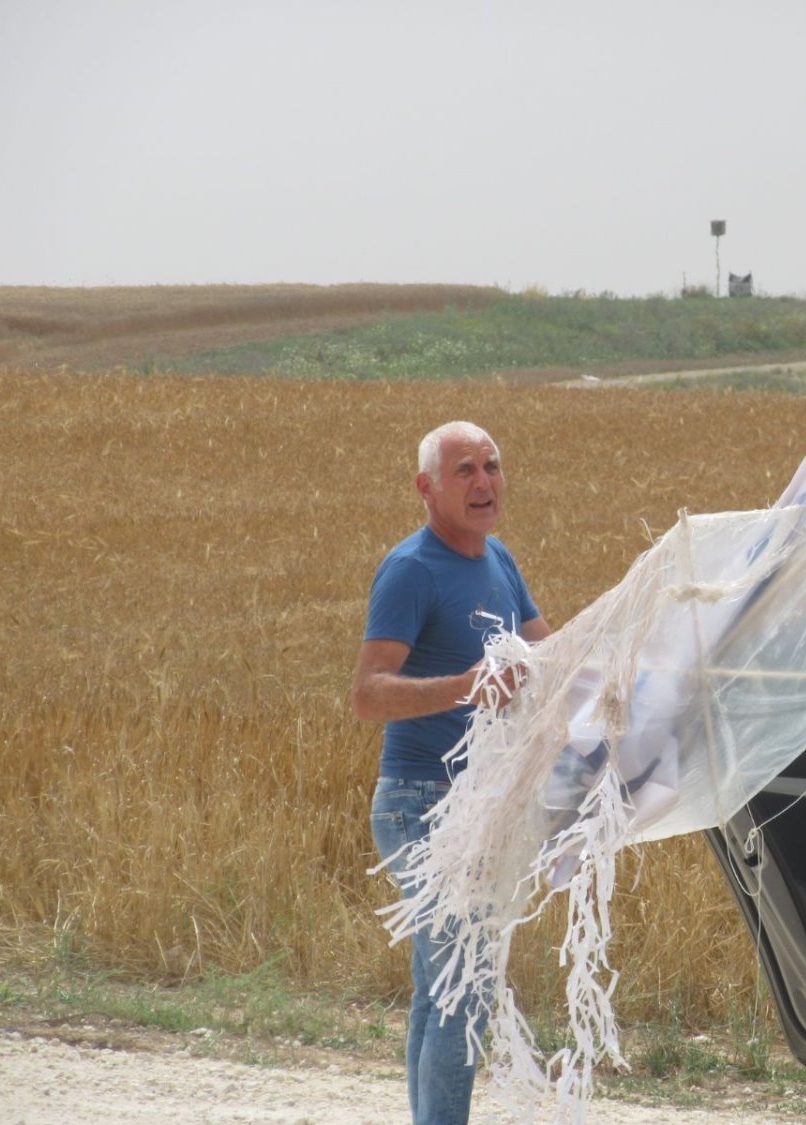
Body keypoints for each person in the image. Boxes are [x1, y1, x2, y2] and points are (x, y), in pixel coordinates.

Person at [351, 420, 551, 1125]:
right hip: (418, 807)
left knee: (440, 990)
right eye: (464, 469)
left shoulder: (500, 560)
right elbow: (368, 692)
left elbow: (546, 658)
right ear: (426, 487)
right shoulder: (411, 568)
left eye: (492, 466)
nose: (484, 482)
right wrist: (464, 685)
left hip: (479, 806)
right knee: (463, 990)